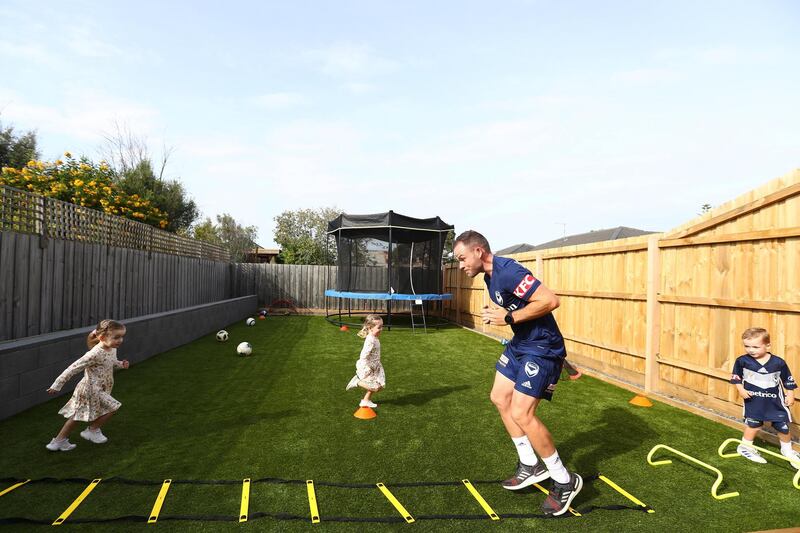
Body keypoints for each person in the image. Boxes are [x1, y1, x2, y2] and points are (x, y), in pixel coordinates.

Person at [453, 230, 581, 517]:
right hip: (520, 345)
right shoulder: (489, 278)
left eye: (462, 258)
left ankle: (564, 480)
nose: (461, 265)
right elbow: (524, 309)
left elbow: (550, 300)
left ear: (479, 251)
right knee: (499, 397)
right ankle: (530, 464)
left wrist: (508, 318)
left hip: (541, 349)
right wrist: (505, 316)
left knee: (523, 413)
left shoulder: (509, 271)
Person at [45, 319, 129, 451]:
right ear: (102, 337)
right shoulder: (93, 354)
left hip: (101, 389)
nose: (120, 340)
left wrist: (120, 364)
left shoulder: (111, 348)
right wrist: (57, 385)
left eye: (122, 337)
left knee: (77, 417)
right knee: (113, 406)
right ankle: (92, 430)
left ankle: (58, 442)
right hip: (90, 389)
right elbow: (72, 368)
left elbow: (110, 362)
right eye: (116, 337)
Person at [730, 327, 800, 467]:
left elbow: (788, 379)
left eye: (755, 346)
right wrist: (741, 389)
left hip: (775, 402)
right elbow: (736, 377)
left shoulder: (778, 362)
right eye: (747, 346)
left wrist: (790, 395)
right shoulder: (742, 361)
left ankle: (787, 451)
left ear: (767, 345)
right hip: (754, 401)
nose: (751, 350)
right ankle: (745, 447)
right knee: (754, 425)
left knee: (783, 426)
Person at [345, 314, 385, 408]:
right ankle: (356, 382)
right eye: (379, 327)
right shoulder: (370, 340)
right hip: (369, 366)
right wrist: (366, 367)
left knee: (379, 385)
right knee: (375, 387)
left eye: (382, 326)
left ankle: (365, 401)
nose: (381, 329)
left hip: (376, 366)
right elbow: (363, 355)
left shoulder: (374, 337)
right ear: (370, 328)